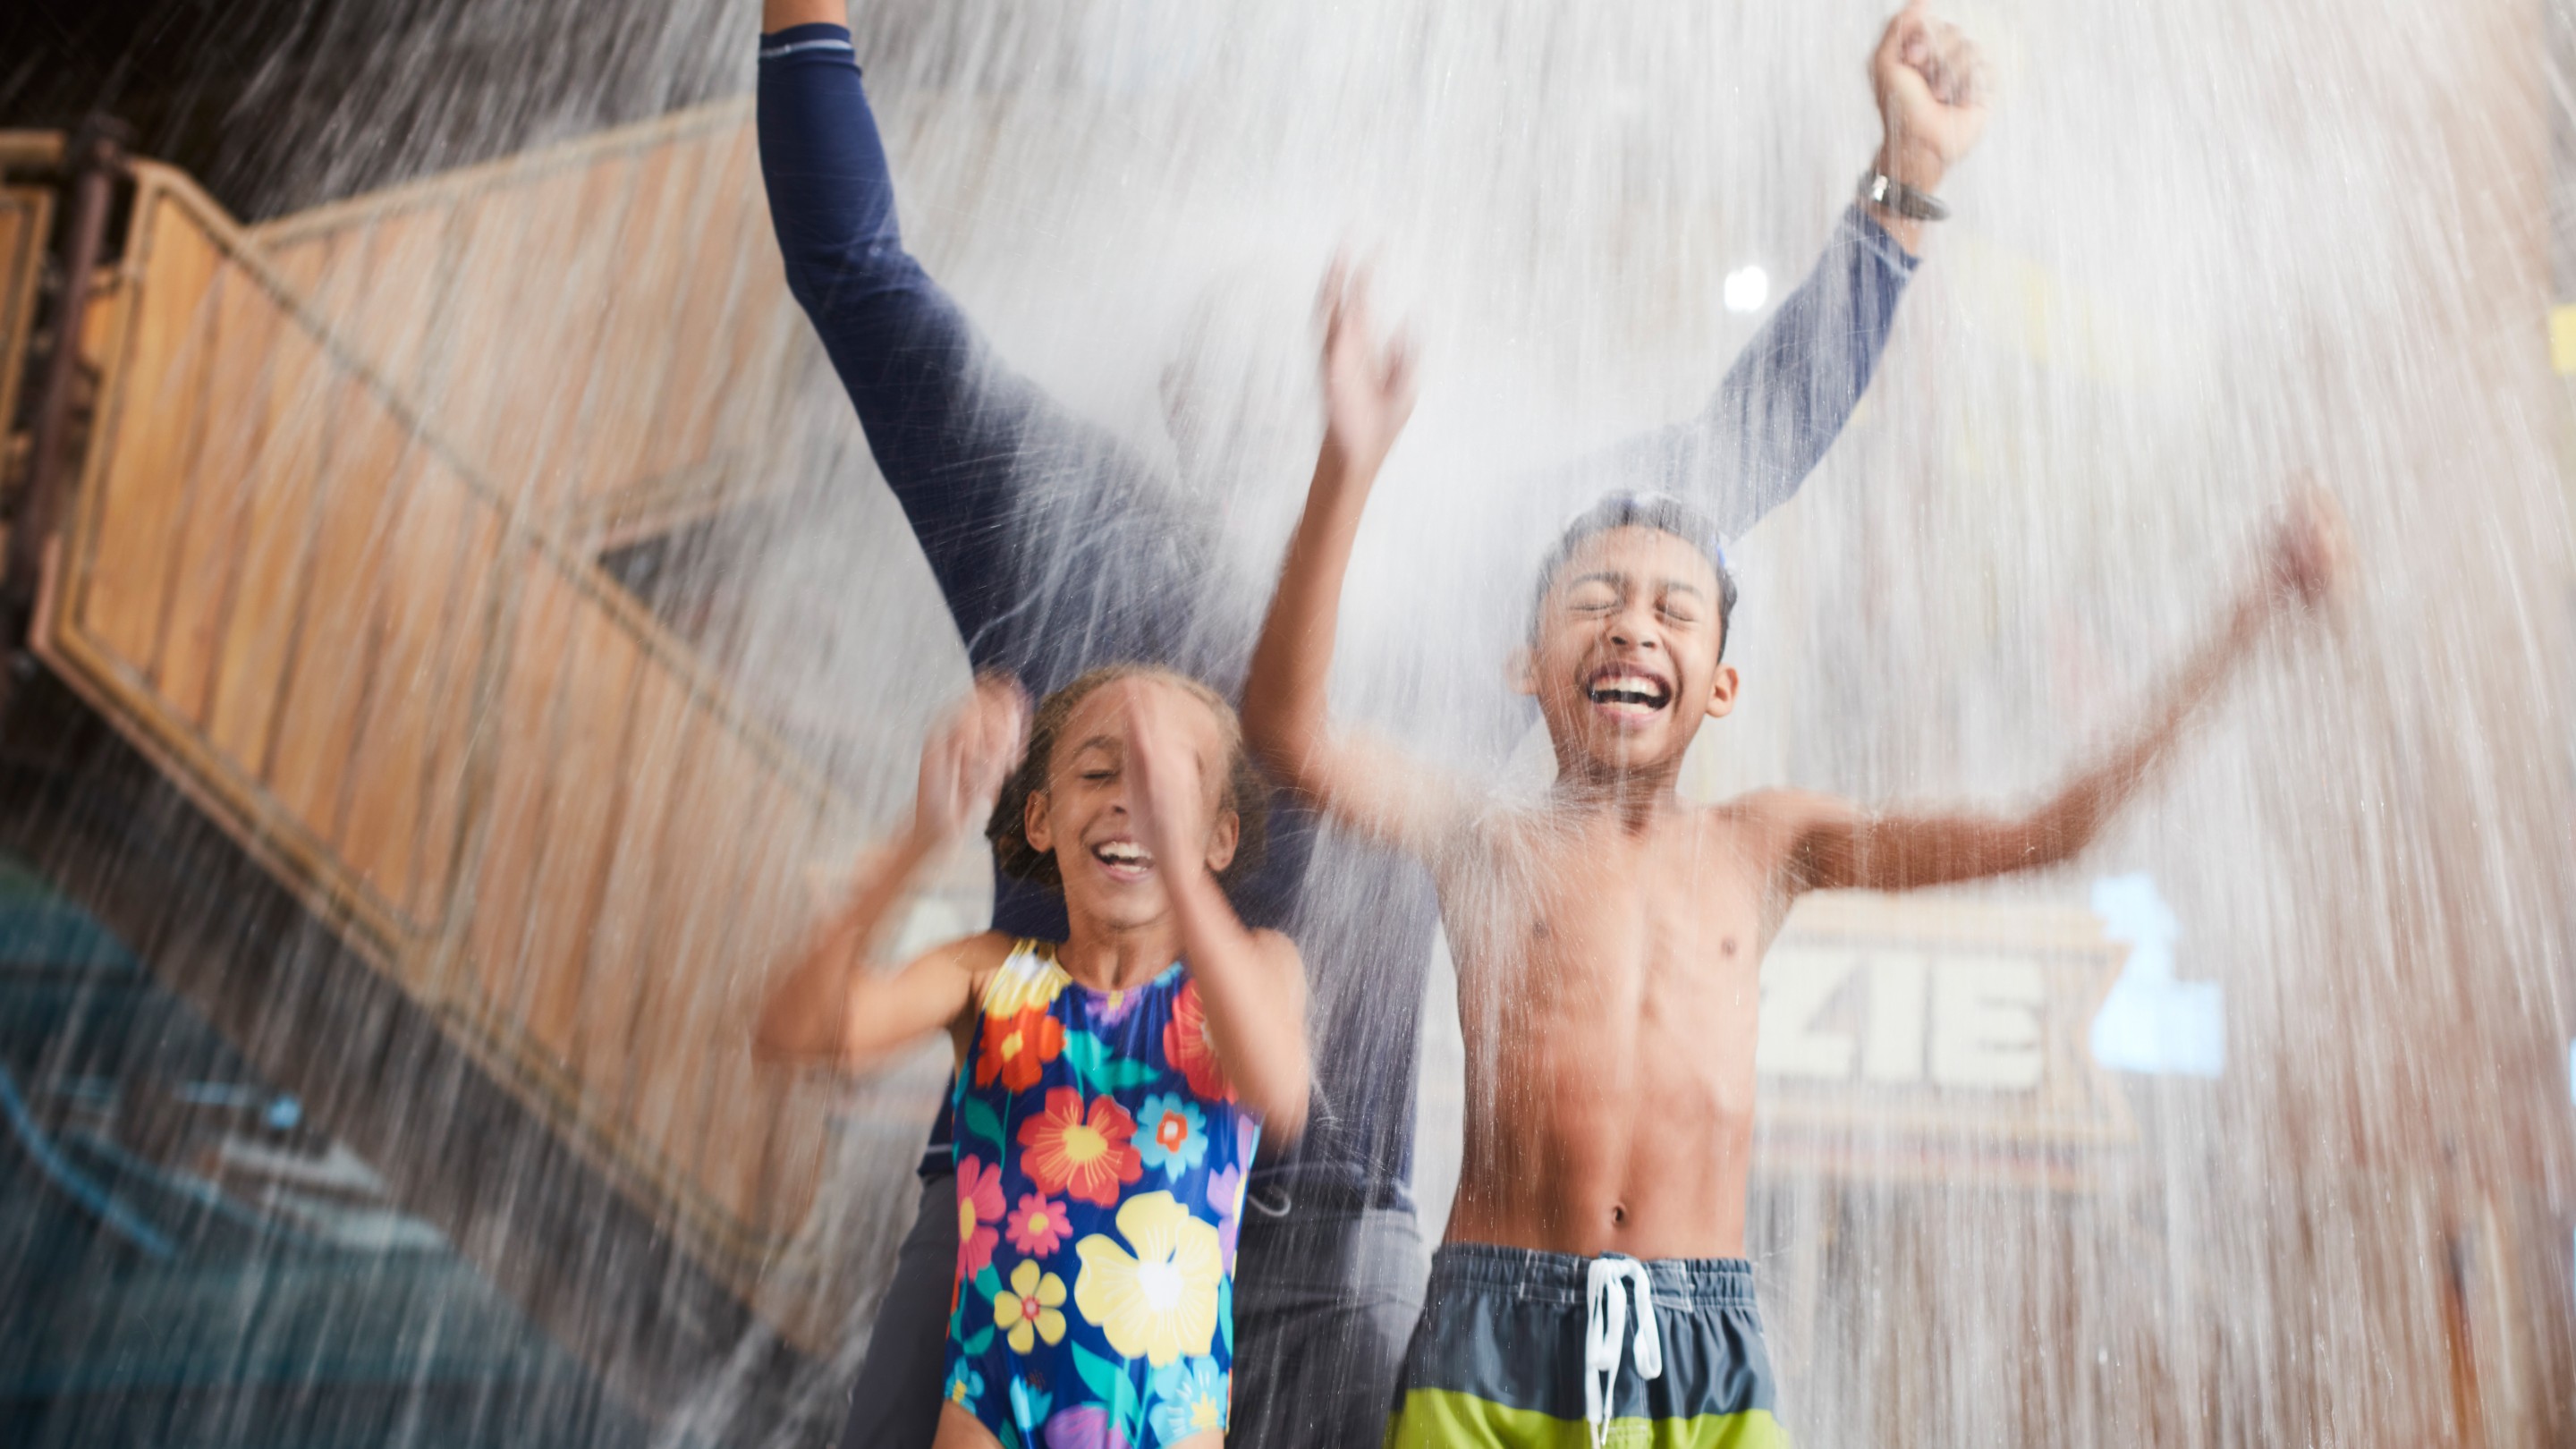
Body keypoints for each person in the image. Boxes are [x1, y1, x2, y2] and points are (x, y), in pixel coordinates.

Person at [751, 4, 1987, 1444]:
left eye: (1320, 371)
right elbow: (856, 278)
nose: (1287, 393)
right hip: (1038, 1200)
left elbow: (1734, 454)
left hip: (1321, 1241)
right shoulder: (1055, 525)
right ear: (1174, 395)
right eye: (1248, 364)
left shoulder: (1452, 611)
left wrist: (1900, 195)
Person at [1241, 267, 2351, 1447]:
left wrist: (2246, 625)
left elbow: (2049, 830)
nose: (1631, 624)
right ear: (1526, 666)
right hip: (1491, 1332)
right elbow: (1288, 731)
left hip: (1701, 1346)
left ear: (1720, 685)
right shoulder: (1483, 837)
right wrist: (1345, 468)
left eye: (1674, 610)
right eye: (1597, 602)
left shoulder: (1767, 845)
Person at [757, 667, 1310, 1449]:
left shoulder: (1256, 971)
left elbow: (1280, 1088)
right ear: (1042, 818)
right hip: (986, 1417)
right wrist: (921, 837)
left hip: (1169, 1426)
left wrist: (1177, 865)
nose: (1131, 799)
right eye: (1098, 772)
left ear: (1221, 837)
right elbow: (797, 1031)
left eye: (1166, 785)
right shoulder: (987, 974)